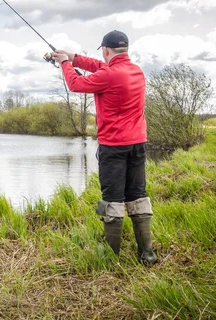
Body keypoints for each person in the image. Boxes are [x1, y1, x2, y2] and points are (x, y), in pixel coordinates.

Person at [52, 30, 157, 266]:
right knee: (137, 196)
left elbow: (76, 84)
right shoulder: (136, 72)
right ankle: (147, 254)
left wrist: (65, 64)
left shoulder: (109, 75)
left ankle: (111, 256)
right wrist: (74, 57)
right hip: (138, 145)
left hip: (114, 147)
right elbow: (100, 66)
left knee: (112, 199)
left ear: (107, 50)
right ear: (125, 50)